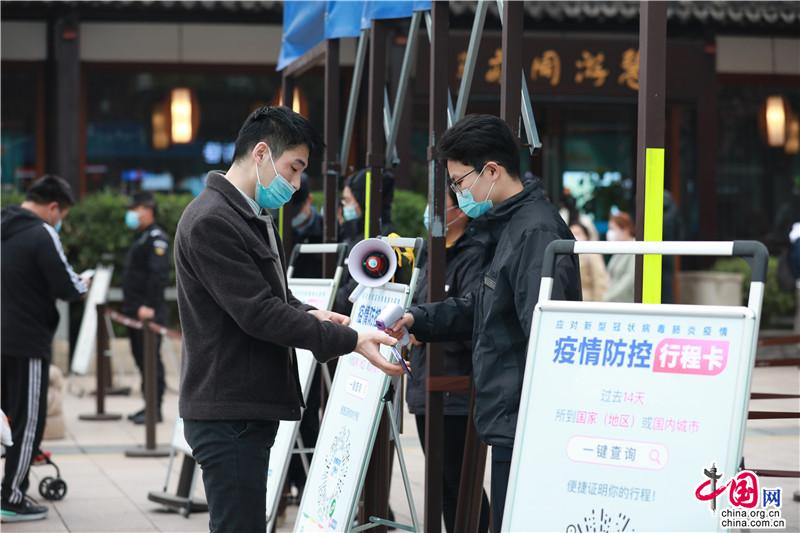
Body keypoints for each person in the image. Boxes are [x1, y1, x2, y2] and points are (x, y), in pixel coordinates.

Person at [174, 105, 402, 533]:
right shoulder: (213, 220)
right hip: (229, 411)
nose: (296, 185)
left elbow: (272, 298)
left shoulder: (247, 214)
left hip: (243, 407)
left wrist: (311, 314)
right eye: (293, 168)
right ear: (261, 153)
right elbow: (258, 313)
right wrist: (351, 339)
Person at [387, 114, 582, 531]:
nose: (459, 192)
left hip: (526, 417)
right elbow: (483, 304)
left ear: (491, 171)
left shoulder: (535, 231)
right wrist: (418, 318)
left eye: (459, 181)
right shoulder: (510, 225)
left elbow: (546, 335)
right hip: (510, 413)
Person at [1, 176, 88, 523]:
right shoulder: (42, 233)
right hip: (27, 341)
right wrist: (85, 282)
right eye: (61, 214)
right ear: (53, 208)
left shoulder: (3, 225)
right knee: (27, 423)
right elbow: (67, 286)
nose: (60, 221)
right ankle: (12, 497)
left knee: (4, 419)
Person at [407, 186, 491, 533]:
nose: (431, 211)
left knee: (461, 483)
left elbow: (472, 317)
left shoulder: (476, 254)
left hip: (456, 386)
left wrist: (425, 326)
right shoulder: (430, 253)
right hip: (424, 383)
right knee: (440, 483)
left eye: (439, 205)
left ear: (462, 210)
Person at [122, 191, 170, 424]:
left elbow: (158, 275)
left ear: (147, 210)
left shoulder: (156, 238)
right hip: (135, 311)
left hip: (148, 312)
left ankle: (154, 409)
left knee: (150, 361)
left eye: (136, 208)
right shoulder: (141, 237)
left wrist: (149, 305)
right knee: (142, 360)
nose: (132, 213)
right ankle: (148, 405)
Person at [288, 173, 324, 279]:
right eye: (290, 213)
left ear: (309, 200)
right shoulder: (278, 230)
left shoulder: (328, 231)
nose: (293, 217)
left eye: (296, 211)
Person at [569, 222, 608, 301]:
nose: (574, 236)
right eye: (572, 233)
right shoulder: (567, 255)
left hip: (587, 300)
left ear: (586, 236)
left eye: (578, 233)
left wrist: (598, 302)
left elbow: (599, 280)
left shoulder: (592, 254)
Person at [603, 212, 636, 303]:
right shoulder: (619, 249)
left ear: (625, 229)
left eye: (613, 229)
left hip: (626, 303)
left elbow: (630, 279)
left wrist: (608, 296)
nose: (610, 233)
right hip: (614, 302)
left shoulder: (634, 248)